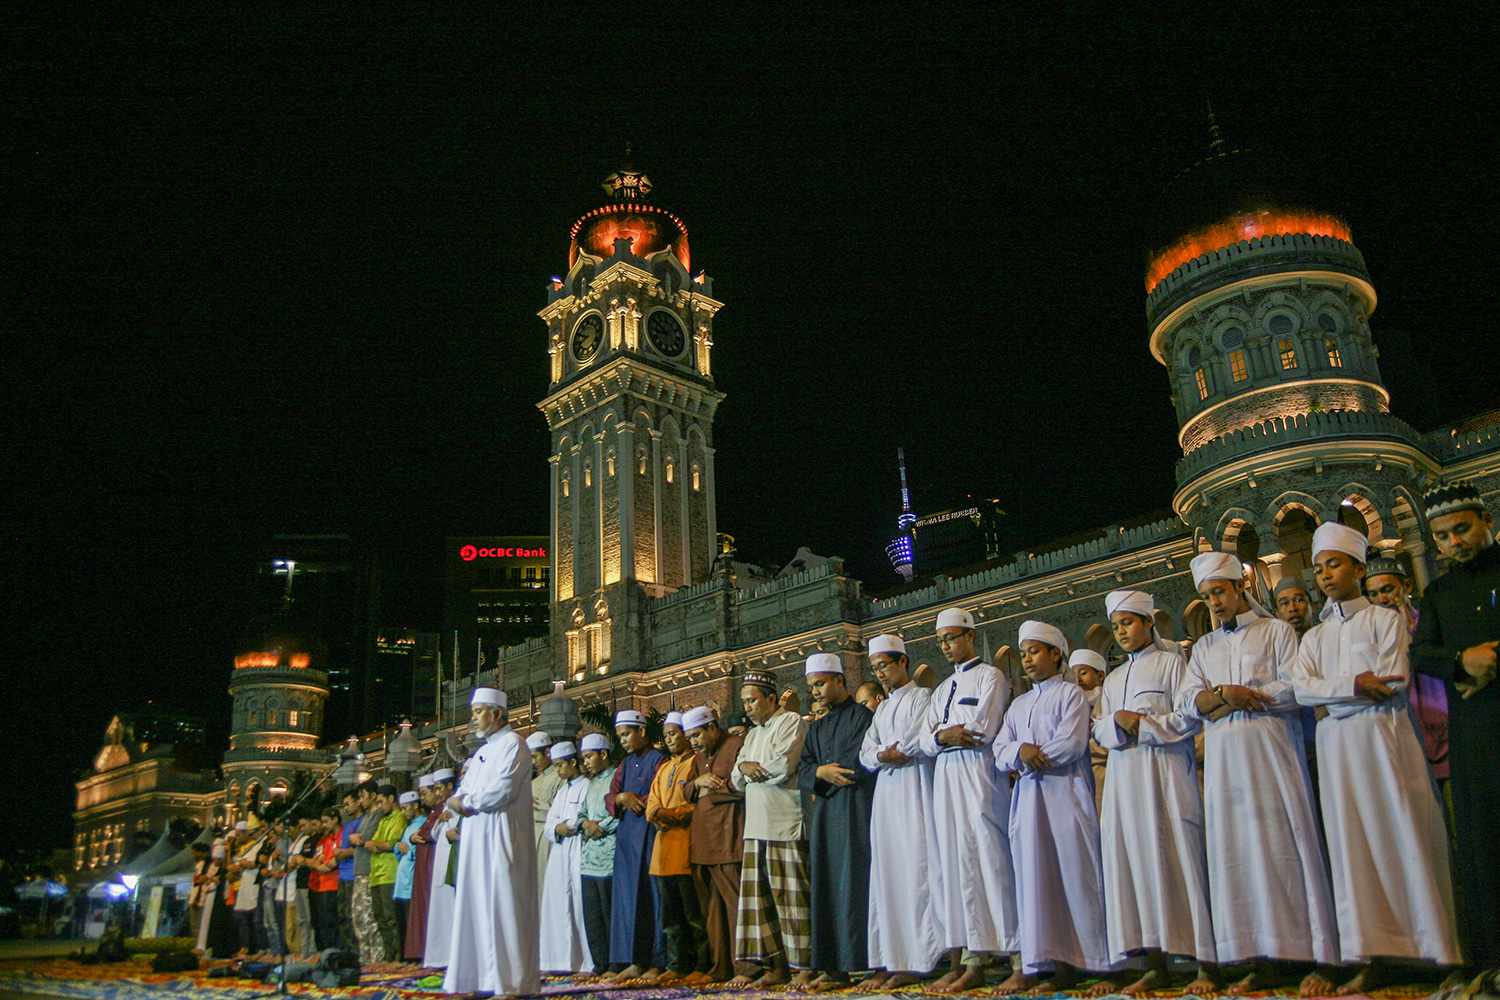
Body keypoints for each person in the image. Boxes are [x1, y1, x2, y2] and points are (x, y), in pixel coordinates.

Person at [1291, 521, 1461, 994]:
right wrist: (1350, 687)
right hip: (1337, 753)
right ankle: (1377, 954)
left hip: (1384, 746)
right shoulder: (1314, 638)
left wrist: (1335, 697)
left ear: (1358, 568)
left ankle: (1437, 951)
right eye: (1320, 568)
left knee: (1403, 835)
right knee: (1354, 848)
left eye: (1334, 565)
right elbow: (1302, 689)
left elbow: (1392, 681)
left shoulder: (1385, 620)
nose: (1325, 575)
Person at [1184, 555, 1339, 995]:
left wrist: (1243, 695)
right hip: (1226, 763)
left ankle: (1314, 954)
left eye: (1219, 592)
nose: (1214, 602)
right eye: (1207, 596)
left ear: (1240, 587)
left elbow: (1294, 686)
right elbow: (1185, 702)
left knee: (1285, 844)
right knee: (1240, 853)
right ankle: (1263, 957)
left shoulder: (1276, 631)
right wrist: (1220, 696)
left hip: (1272, 754)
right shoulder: (1204, 648)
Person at [1095, 589, 1216, 995]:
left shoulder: (1172, 664)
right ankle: (1156, 961)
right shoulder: (1112, 680)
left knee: (1179, 858)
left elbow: (1187, 717)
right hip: (1125, 781)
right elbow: (1099, 726)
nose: (1122, 632)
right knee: (1137, 866)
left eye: (1128, 623)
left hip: (1164, 777)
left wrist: (1142, 725)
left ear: (1148, 623)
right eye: (1116, 626)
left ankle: (1203, 963)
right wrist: (1117, 724)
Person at [992, 620, 1112, 992]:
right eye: (1024, 653)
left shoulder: (1071, 695)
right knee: (1037, 878)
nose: (1027, 659)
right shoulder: (1019, 704)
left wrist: (1030, 756)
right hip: (1028, 801)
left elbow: (1073, 744)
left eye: (1034, 651)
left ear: (1055, 653)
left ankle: (1092, 962)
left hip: (1065, 797)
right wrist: (1019, 752)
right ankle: (1052, 963)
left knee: (1074, 874)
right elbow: (999, 750)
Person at [1412, 483, 1500, 983]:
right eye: (1443, 536)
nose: (1454, 543)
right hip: (1475, 732)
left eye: (1462, 530)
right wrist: (1462, 660)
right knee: (1484, 843)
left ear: (1485, 520)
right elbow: (1422, 653)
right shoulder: (1439, 592)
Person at [918, 606, 1018, 994]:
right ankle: (973, 959)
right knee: (957, 868)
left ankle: (1017, 955)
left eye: (952, 638)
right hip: (946, 783)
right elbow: (923, 741)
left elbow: (982, 729)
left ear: (970, 636)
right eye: (941, 641)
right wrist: (944, 736)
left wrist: (942, 737)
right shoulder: (941, 689)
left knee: (992, 862)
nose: (946, 646)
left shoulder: (991, 676)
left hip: (979, 781)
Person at [443, 686, 540, 996]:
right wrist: (461, 801)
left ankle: (509, 983)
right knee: (477, 905)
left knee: (504, 906)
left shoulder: (514, 744)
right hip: (476, 839)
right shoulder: (481, 752)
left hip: (502, 838)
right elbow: (460, 792)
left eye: (478, 712)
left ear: (497, 714)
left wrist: (466, 803)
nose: (474, 719)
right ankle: (478, 979)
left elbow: (501, 792)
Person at [859, 634, 943, 991]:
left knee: (916, 869)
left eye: (884, 666)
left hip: (914, 790)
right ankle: (891, 958)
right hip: (887, 796)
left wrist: (888, 753)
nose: (880, 673)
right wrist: (882, 755)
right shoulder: (881, 709)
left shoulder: (923, 697)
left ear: (903, 663)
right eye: (875, 668)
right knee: (888, 874)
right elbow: (866, 752)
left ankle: (918, 958)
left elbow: (916, 739)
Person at [795, 652, 876, 991]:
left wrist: (827, 772)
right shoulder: (818, 728)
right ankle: (833, 967)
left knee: (855, 884)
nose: (815, 691)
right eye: (812, 686)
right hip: (826, 816)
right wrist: (818, 772)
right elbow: (802, 769)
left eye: (821, 684)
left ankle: (861, 963)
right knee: (827, 885)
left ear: (840, 681)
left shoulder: (862, 717)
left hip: (855, 809)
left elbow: (857, 762)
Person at [729, 670, 810, 989]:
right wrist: (746, 769)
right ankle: (776, 966)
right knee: (760, 902)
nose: (747, 707)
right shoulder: (751, 735)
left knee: (791, 899)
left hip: (783, 823)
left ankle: (803, 966)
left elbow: (782, 768)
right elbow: (736, 779)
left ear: (771, 699)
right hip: (755, 826)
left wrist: (747, 769)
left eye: (752, 700)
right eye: (744, 702)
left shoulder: (790, 721)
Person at [1367, 555, 1451, 789]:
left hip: (1445, 727)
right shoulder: (1370, 637)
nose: (1382, 599)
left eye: (1387, 589)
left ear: (1406, 586)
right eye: (1373, 594)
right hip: (1404, 730)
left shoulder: (1428, 621)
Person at [684, 705, 746, 985]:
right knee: (711, 910)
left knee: (736, 906)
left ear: (712, 727)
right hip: (703, 843)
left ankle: (745, 967)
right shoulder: (698, 758)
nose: (694, 742)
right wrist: (699, 782)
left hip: (728, 838)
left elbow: (740, 786)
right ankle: (720, 966)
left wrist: (713, 788)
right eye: (690, 737)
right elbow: (687, 790)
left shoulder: (736, 745)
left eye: (697, 735)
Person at [604, 709, 667, 982]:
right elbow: (611, 795)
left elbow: (658, 793)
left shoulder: (658, 760)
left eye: (627, 734)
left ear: (642, 732)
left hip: (651, 836)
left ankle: (656, 960)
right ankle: (632, 960)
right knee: (628, 900)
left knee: (652, 898)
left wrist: (633, 798)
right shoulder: (625, 764)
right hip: (627, 840)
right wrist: (621, 798)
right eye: (620, 736)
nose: (624, 740)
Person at [645, 711, 705, 984]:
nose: (670, 739)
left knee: (694, 913)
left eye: (674, 733)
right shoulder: (664, 768)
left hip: (686, 847)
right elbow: (652, 805)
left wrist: (667, 815)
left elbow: (695, 806)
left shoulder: (695, 764)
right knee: (670, 916)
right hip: (662, 851)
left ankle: (701, 964)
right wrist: (658, 814)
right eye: (667, 734)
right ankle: (676, 964)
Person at [539, 740, 593, 974]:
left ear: (573, 762)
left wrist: (567, 826)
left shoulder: (587, 786)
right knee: (559, 905)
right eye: (556, 766)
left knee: (580, 905)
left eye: (561, 765)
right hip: (560, 853)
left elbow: (584, 818)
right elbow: (549, 824)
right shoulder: (562, 791)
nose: (559, 771)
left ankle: (586, 961)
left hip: (579, 849)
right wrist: (557, 829)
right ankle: (560, 960)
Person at [576, 732, 620, 978]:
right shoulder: (590, 783)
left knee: (609, 912)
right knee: (592, 915)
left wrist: (599, 826)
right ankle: (599, 963)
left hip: (610, 855)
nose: (586, 762)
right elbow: (581, 814)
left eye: (590, 756)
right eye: (584, 757)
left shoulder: (616, 778)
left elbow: (618, 813)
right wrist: (585, 825)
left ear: (603, 754)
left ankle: (615, 964)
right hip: (589, 858)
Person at [421, 768, 459, 969]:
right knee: (440, 911)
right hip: (440, 863)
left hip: (453, 863)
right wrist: (439, 821)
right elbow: (435, 835)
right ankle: (439, 956)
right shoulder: (443, 809)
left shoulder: (459, 803)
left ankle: (453, 956)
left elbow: (457, 832)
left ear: (450, 786)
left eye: (439, 788)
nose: (436, 793)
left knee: (453, 910)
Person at [347, 780, 386, 964]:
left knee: (369, 918)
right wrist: (356, 839)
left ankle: (376, 960)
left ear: (372, 796)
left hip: (369, 872)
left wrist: (358, 839)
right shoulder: (366, 816)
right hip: (359, 872)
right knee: (358, 918)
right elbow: (356, 838)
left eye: (363, 796)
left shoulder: (377, 814)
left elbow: (367, 837)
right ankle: (364, 958)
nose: (361, 800)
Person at [365, 785, 405, 961]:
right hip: (376, 874)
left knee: (391, 917)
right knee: (379, 916)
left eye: (382, 801)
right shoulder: (382, 820)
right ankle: (388, 954)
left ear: (391, 799)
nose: (380, 806)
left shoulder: (399, 818)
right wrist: (375, 844)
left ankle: (398, 955)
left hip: (389, 873)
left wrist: (375, 844)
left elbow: (392, 843)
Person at [402, 775, 439, 962]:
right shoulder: (434, 812)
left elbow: (433, 833)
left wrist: (420, 836)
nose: (423, 798)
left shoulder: (443, 810)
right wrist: (412, 838)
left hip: (434, 867)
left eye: (425, 794)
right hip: (424, 869)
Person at [1070, 649, 1110, 813]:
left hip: (1103, 773)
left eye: (1084, 673)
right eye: (1074, 675)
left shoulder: (1108, 699)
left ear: (1100, 676)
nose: (1078, 680)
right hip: (1076, 776)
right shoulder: (1070, 706)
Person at [529, 730, 565, 889]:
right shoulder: (533, 782)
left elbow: (562, 812)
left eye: (535, 757)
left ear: (548, 753)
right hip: (532, 835)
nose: (533, 762)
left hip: (550, 837)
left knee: (548, 884)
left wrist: (541, 810)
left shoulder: (560, 778)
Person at [391, 791, 425, 960]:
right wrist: (398, 847)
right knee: (401, 928)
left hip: (411, 884)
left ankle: (413, 961)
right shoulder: (408, 826)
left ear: (416, 806)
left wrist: (407, 848)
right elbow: (399, 852)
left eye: (406, 808)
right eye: (402, 808)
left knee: (412, 928)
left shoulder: (423, 824)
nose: (404, 812)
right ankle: (404, 960)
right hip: (401, 884)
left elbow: (420, 852)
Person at [309, 810, 341, 952]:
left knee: (332, 921)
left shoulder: (341, 835)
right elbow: (317, 859)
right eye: (322, 822)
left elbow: (337, 859)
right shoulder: (325, 839)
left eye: (326, 821)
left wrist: (326, 865)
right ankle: (325, 953)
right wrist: (318, 864)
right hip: (320, 885)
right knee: (321, 922)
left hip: (334, 884)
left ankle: (334, 952)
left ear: (335, 820)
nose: (324, 825)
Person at [335, 792, 360, 954]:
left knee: (353, 916)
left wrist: (343, 852)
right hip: (342, 875)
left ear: (358, 802)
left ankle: (355, 951)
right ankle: (346, 950)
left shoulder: (361, 822)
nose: (346, 807)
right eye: (343, 804)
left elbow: (358, 848)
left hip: (353, 874)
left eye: (348, 803)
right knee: (342, 915)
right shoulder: (348, 826)